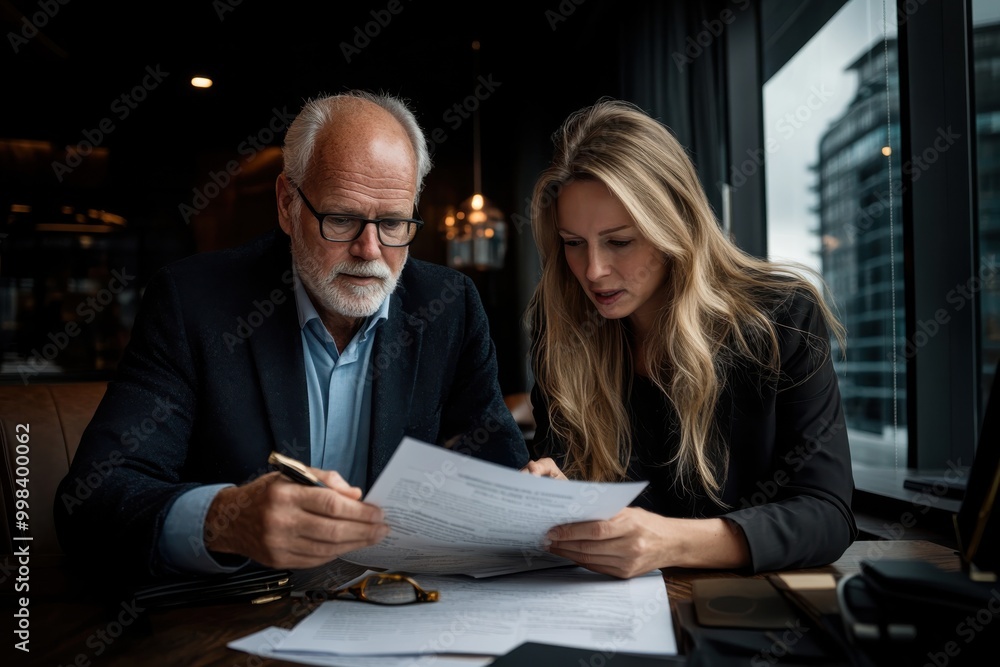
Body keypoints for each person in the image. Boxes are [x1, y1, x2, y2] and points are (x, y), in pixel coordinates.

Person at [54, 90, 528, 580]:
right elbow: (92, 501)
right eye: (341, 219)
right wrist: (224, 519)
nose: (370, 251)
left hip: (401, 608)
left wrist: (539, 505)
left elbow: (500, 477)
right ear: (286, 204)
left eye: (392, 223)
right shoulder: (192, 304)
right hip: (239, 621)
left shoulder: (450, 306)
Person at [522, 99, 857, 578]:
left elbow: (826, 514)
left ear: (674, 226)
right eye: (574, 244)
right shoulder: (563, 332)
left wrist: (670, 543)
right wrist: (549, 495)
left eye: (620, 241)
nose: (593, 271)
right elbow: (571, 490)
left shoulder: (781, 317)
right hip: (606, 612)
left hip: (744, 617)